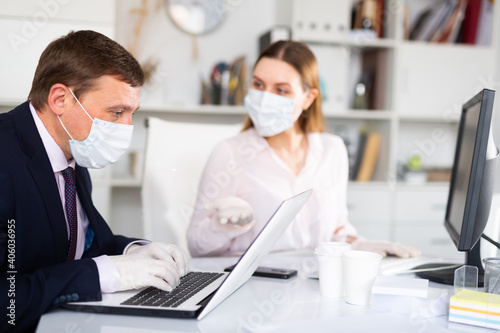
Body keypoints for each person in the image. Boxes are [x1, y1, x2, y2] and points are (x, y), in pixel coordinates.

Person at [0, 30, 188, 332]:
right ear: (60, 99)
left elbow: (85, 246)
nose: (126, 128)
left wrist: (135, 250)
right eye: (116, 112)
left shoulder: (73, 150)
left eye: (131, 113)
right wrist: (103, 274)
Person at [187, 40, 420, 259]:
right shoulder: (230, 153)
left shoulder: (332, 149)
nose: (265, 98)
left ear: (308, 98)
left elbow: (337, 229)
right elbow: (196, 247)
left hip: (313, 283)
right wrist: (223, 226)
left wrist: (358, 244)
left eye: (281, 90)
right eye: (258, 84)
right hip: (251, 287)